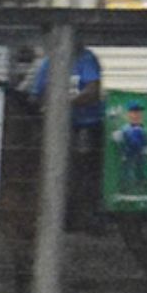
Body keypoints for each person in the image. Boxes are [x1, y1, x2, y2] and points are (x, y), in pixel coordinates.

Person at [28, 44, 105, 227]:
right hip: (55, 125)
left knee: (84, 162)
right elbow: (36, 93)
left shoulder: (86, 58)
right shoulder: (48, 62)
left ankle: (89, 209)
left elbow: (93, 90)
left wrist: (65, 103)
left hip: (85, 123)